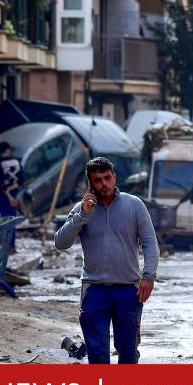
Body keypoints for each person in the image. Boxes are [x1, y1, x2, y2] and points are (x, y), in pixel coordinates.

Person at [54, 157, 159, 368]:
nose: (104, 184)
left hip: (129, 291)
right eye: (98, 180)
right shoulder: (81, 210)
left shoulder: (134, 205)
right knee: (98, 355)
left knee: (128, 352)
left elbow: (150, 243)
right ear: (90, 184)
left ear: (114, 177)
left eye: (107, 178)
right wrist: (82, 216)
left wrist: (149, 276)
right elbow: (61, 243)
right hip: (94, 291)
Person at [0, 142, 22, 251]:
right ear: (8, 150)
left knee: (3, 221)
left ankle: (4, 247)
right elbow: (20, 181)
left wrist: (8, 196)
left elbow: (0, 183)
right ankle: (11, 246)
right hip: (14, 195)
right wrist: (12, 194)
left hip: (4, 197)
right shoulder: (17, 162)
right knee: (12, 221)